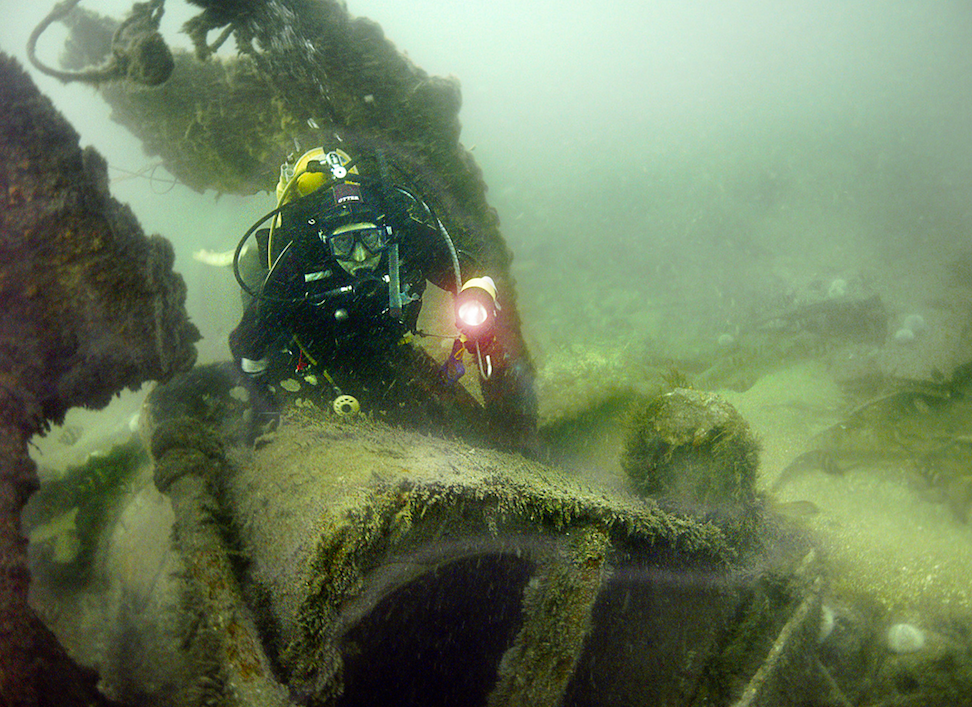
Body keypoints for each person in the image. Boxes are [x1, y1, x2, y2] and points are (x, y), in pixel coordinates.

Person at [229, 141, 538, 452]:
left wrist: (477, 297)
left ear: (386, 233)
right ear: (324, 243)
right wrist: (263, 402)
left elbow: (468, 271)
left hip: (389, 350)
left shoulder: (403, 234)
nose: (360, 255)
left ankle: (517, 439)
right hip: (312, 365)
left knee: (473, 429)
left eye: (370, 238)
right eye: (343, 244)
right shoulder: (299, 259)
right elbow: (247, 341)